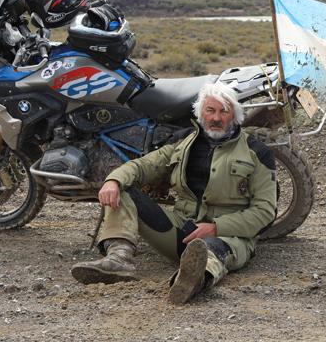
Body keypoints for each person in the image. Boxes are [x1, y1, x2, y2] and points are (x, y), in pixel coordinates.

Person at [70, 82, 277, 304]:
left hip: (227, 237)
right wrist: (113, 180)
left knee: (210, 250)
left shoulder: (257, 152)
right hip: (182, 229)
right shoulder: (183, 142)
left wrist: (216, 227)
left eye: (223, 111)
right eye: (210, 110)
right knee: (124, 188)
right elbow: (143, 166)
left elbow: (265, 212)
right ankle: (118, 259)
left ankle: (193, 281)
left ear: (234, 116)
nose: (216, 118)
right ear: (200, 114)